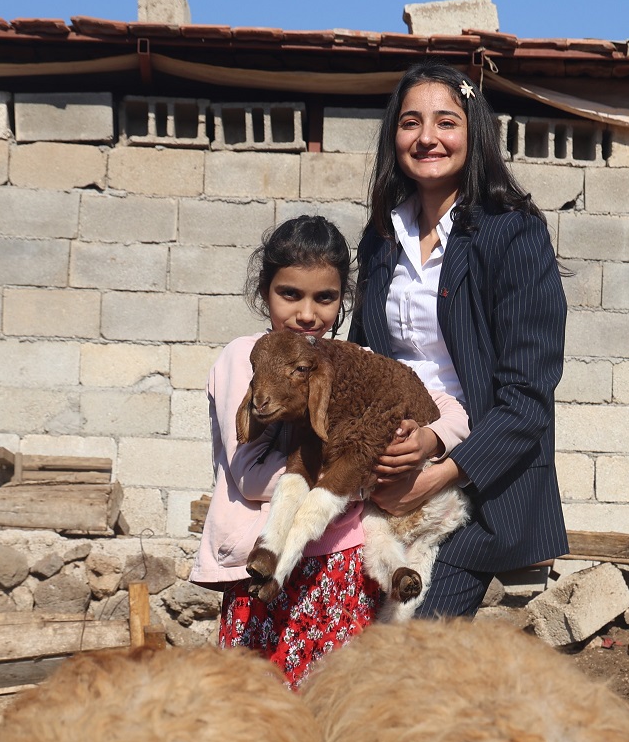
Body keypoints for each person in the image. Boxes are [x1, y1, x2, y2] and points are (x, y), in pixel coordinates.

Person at [192, 214, 469, 687]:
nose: (307, 314)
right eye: (290, 294)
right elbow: (249, 475)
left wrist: (428, 439)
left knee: (339, 703)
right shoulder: (247, 356)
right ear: (264, 293)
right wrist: (354, 481)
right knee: (259, 709)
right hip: (267, 568)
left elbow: (452, 411)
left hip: (342, 566)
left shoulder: (344, 360)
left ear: (343, 300)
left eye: (325, 298)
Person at [351, 61, 569, 617]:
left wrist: (432, 475)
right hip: (383, 471)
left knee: (413, 647)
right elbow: (362, 362)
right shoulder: (381, 239)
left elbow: (526, 400)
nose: (427, 138)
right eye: (410, 123)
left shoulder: (512, 233)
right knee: (341, 644)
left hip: (478, 486)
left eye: (446, 122)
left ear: (474, 133)